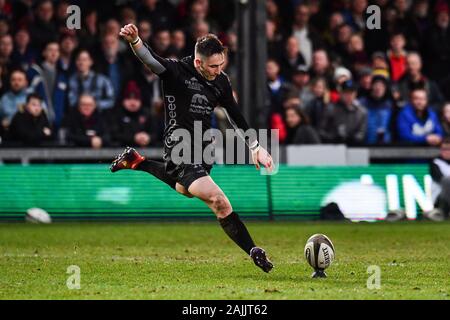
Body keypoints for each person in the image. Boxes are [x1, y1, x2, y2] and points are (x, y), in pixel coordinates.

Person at [110, 23, 274, 273]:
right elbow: (151, 60)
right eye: (213, 66)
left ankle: (138, 162)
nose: (219, 71)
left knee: (185, 190)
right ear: (198, 63)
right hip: (179, 146)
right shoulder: (177, 71)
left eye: (222, 64)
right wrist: (135, 42)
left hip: (204, 146)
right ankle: (254, 250)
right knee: (219, 201)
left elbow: (235, 115)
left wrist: (255, 146)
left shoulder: (221, 81)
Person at [321, 79, 367, 145]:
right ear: (341, 93)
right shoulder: (330, 109)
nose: (349, 96)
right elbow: (321, 130)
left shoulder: (361, 112)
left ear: (355, 94)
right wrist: (333, 138)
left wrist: (352, 139)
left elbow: (361, 133)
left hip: (354, 148)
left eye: (351, 93)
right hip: (333, 147)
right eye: (346, 93)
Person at [108, 81, 153, 147]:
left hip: (148, 152)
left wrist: (149, 137)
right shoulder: (116, 114)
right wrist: (133, 138)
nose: (132, 102)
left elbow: (157, 134)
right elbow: (114, 135)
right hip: (121, 152)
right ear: (123, 101)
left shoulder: (147, 113)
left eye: (136, 99)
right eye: (129, 99)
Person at [428, 138, 450, 221]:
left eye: (449, 149)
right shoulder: (435, 162)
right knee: (447, 181)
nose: (447, 152)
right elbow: (440, 179)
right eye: (444, 149)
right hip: (440, 198)